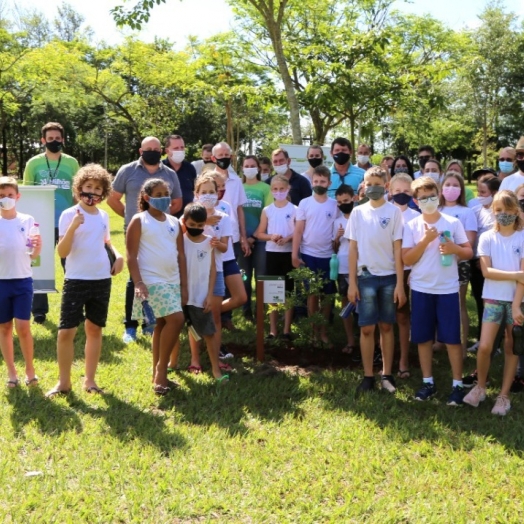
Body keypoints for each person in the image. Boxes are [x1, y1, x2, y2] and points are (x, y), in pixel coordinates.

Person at [46, 165, 124, 398]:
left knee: (95, 328)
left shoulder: (103, 216)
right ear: (79, 188)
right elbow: (62, 251)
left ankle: (89, 380)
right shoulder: (69, 214)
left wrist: (118, 256)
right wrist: (72, 228)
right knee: (66, 332)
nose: (92, 192)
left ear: (103, 193)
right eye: (88, 187)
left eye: (97, 189)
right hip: (76, 279)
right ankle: (64, 382)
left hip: (101, 279)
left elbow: (106, 242)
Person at [402, 176, 473, 405]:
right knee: (423, 338)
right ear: (415, 201)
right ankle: (428, 382)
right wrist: (424, 241)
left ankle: (457, 384)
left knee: (452, 338)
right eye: (423, 198)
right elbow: (407, 258)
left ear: (439, 194)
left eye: (432, 196)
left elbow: (468, 252)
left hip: (448, 289)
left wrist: (454, 248)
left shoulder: (452, 222)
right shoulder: (411, 225)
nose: (428, 200)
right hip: (421, 288)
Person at [107, 136, 183, 344]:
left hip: (162, 232)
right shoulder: (128, 170)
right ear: (141, 150)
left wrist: (160, 216)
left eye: (156, 149)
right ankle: (130, 326)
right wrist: (130, 216)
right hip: (137, 231)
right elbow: (112, 197)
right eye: (148, 148)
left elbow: (176, 202)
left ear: (162, 152)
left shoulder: (169, 174)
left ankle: (151, 323)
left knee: (157, 275)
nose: (152, 151)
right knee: (135, 277)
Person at [463, 190, 524, 416]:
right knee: (485, 346)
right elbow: (487, 272)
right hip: (493, 299)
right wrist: (516, 274)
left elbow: (523, 280)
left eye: (508, 210)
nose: (504, 214)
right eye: (499, 210)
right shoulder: (487, 238)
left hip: (516, 302)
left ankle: (504, 395)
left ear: (516, 211)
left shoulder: (522, 237)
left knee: (511, 346)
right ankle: (480, 386)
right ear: (492, 211)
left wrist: (517, 305)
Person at [347, 166, 406, 394]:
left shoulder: (394, 213)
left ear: (386, 186)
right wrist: (352, 282)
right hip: (366, 278)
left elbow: (398, 249)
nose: (372, 188)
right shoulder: (358, 212)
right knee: (367, 329)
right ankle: (368, 375)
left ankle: (387, 374)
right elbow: (353, 249)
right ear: (363, 186)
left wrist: (400, 284)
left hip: (389, 278)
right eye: (368, 184)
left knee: (386, 327)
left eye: (377, 184)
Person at [126, 178, 187, 396]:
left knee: (162, 323)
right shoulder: (139, 220)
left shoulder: (174, 222)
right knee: (176, 319)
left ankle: (156, 372)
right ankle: (162, 370)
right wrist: (139, 282)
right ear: (146, 197)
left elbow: (181, 255)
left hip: (172, 280)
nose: (163, 199)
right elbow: (131, 256)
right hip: (151, 280)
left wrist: (184, 285)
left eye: (165, 194)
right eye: (158, 195)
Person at [23, 122, 79, 324]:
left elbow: (77, 193)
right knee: (38, 265)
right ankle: (39, 311)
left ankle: (74, 306)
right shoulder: (33, 163)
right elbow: (26, 194)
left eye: (58, 138)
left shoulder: (72, 163)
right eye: (50, 138)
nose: (54, 141)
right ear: (43, 140)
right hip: (40, 223)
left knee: (71, 264)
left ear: (62, 140)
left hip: (66, 223)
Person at [0, 176, 41, 388]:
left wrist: (38, 246)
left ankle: (30, 370)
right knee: (4, 328)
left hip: (23, 281)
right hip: (1, 283)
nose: (5, 199)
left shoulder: (27, 220)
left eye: (9, 195)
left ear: (18, 196)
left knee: (23, 327)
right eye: (1, 196)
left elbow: (34, 256)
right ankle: (11, 372)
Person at [182, 203, 228, 383]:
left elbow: (212, 270)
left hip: (201, 296)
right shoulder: (180, 240)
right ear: (185, 222)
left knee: (208, 332)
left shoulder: (209, 241)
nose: (195, 229)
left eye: (199, 226)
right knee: (184, 328)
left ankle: (215, 368)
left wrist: (209, 295)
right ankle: (171, 363)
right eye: (191, 225)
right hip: (183, 294)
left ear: (204, 224)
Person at [292, 165, 338, 346]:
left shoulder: (334, 205)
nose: (319, 184)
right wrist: (294, 255)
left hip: (328, 256)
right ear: (312, 182)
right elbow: (298, 231)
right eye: (316, 181)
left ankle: (324, 331)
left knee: (327, 295)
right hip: (308, 255)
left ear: (329, 183)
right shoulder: (304, 203)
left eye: (323, 181)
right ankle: (313, 331)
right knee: (312, 294)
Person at [439, 173, 478, 357]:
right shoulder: (435, 209)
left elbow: (469, 242)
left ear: (461, 189)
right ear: (441, 188)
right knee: (437, 303)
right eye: (447, 184)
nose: (451, 188)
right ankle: (439, 341)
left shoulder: (466, 212)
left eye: (455, 185)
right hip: (436, 264)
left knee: (459, 304)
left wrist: (454, 251)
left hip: (459, 264)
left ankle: (461, 347)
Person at [255, 175, 296, 339]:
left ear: (288, 189)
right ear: (271, 190)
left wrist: (288, 238)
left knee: (288, 293)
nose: (279, 192)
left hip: (288, 254)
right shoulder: (267, 210)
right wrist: (271, 237)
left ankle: (287, 329)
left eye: (282, 189)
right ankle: (273, 329)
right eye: (276, 189)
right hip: (271, 254)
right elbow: (260, 233)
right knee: (273, 293)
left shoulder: (295, 209)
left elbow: (299, 232)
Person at [389, 173, 420, 378]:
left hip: (408, 272)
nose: (402, 194)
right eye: (397, 191)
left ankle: (403, 359)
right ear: (390, 192)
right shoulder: (383, 213)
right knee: (383, 319)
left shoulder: (416, 217)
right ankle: (384, 358)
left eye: (406, 191)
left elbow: (419, 250)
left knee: (402, 317)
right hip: (384, 270)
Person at [466, 174, 500, 355]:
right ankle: (482, 339)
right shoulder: (474, 206)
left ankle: (496, 343)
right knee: (480, 300)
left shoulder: (498, 211)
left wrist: (486, 259)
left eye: (483, 192)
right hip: (474, 261)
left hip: (491, 264)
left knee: (493, 303)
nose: (479, 195)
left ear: (494, 193)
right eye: (478, 191)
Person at [239, 155, 272, 321]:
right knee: (244, 277)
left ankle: (261, 311)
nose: (250, 168)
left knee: (261, 276)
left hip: (260, 241)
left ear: (258, 168)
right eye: (247, 165)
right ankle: (246, 312)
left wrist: (253, 237)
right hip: (241, 241)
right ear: (242, 168)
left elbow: (268, 215)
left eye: (253, 165)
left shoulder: (265, 188)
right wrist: (244, 238)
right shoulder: (239, 187)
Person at [332, 184, 356, 354]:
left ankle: (367, 340)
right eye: (340, 202)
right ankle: (350, 340)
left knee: (363, 306)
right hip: (342, 267)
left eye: (346, 200)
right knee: (345, 303)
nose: (343, 204)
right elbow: (334, 248)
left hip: (359, 267)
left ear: (353, 198)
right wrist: (337, 238)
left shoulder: (360, 217)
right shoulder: (337, 221)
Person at [162, 134, 197, 218]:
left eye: (182, 147)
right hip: (165, 218)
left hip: (188, 219)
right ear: (167, 151)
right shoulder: (160, 169)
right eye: (176, 148)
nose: (180, 150)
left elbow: (195, 191)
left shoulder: (190, 168)